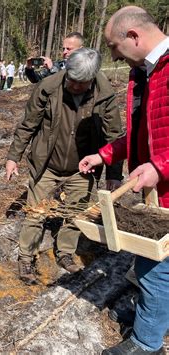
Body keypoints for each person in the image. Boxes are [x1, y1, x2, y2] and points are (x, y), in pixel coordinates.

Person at [78, 7, 169, 354]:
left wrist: (160, 167)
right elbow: (143, 135)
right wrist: (105, 155)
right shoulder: (145, 73)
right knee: (153, 268)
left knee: (154, 270)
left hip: (166, 190)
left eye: (114, 46)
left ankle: (146, 345)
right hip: (158, 192)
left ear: (134, 36)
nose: (112, 54)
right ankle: (154, 319)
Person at [5, 48, 124, 285]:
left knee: (75, 213)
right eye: (70, 79)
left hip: (84, 167)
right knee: (36, 212)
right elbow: (28, 124)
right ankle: (26, 256)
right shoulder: (48, 87)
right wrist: (13, 157)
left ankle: (65, 253)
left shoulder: (105, 95)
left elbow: (114, 136)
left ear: (90, 80)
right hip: (46, 164)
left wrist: (113, 174)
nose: (72, 85)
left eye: (79, 83)